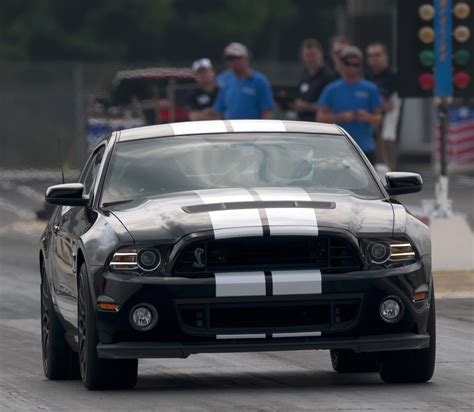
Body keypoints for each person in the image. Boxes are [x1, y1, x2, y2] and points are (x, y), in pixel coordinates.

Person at [317, 46, 383, 164]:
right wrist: (342, 117)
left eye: (355, 64)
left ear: (360, 66)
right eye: (347, 64)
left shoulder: (370, 89)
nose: (351, 68)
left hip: (364, 148)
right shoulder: (331, 89)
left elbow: (378, 119)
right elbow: (320, 118)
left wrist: (366, 117)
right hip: (336, 148)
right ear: (341, 65)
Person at [213, 42, 274, 119]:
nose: (234, 61)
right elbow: (219, 111)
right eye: (230, 58)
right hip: (230, 130)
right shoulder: (224, 80)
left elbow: (267, 111)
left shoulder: (260, 81)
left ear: (247, 58)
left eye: (237, 57)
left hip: (253, 130)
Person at [366, 42, 401, 170]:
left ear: (386, 56)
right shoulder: (366, 77)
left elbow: (386, 105)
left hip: (386, 132)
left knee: (385, 168)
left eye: (377, 55)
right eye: (370, 56)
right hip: (369, 130)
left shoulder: (392, 77)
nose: (374, 59)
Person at [294, 38, 337, 122]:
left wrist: (306, 106)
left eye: (313, 55)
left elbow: (331, 106)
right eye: (307, 55)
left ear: (321, 54)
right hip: (302, 122)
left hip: (320, 126)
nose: (310, 59)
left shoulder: (329, 77)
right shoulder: (305, 75)